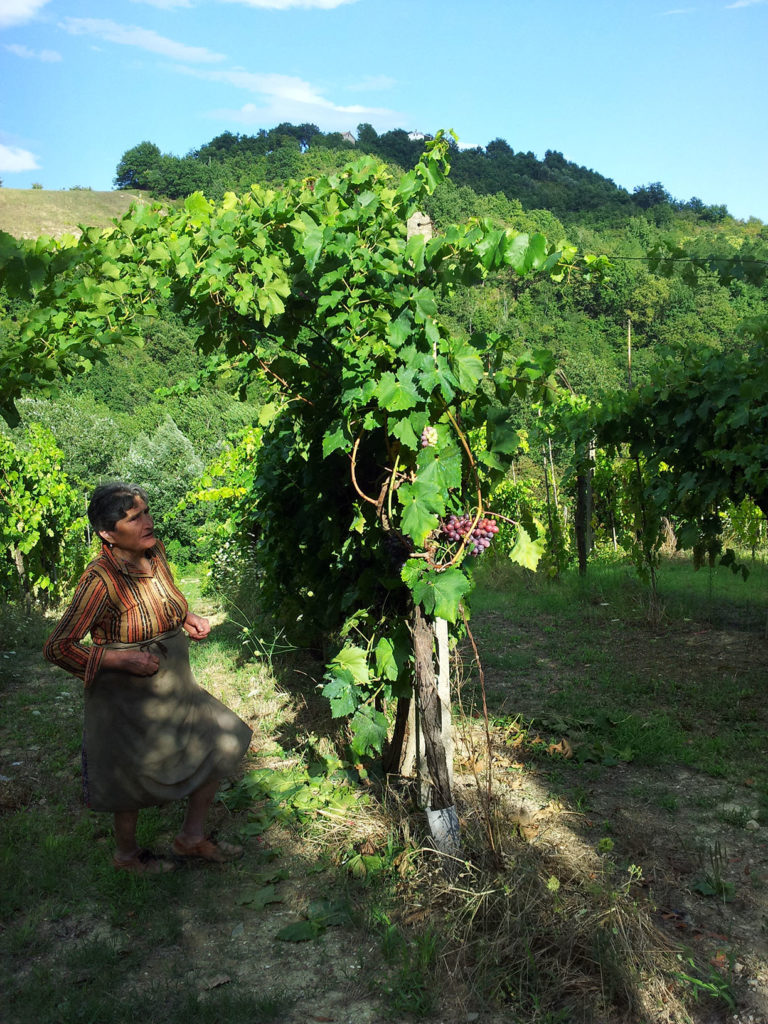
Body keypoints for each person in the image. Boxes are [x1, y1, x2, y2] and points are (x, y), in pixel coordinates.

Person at [44, 482, 252, 874]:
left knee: (221, 741)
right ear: (108, 533)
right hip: (127, 695)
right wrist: (118, 661)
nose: (148, 522)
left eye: (147, 512)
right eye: (134, 517)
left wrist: (184, 617)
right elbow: (57, 647)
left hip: (176, 683)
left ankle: (191, 837)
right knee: (133, 776)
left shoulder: (153, 554)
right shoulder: (99, 581)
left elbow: (166, 598)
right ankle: (126, 857)